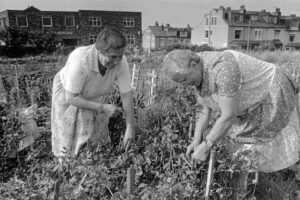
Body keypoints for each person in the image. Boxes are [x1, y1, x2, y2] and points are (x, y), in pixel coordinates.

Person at [163, 49, 300, 190]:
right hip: (249, 99)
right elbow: (203, 109)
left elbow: (229, 115)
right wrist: (196, 140)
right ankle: (242, 187)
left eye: (185, 79)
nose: (185, 84)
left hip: (269, 91)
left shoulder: (223, 68)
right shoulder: (199, 69)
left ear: (193, 64)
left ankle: (285, 181)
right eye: (181, 82)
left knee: (248, 140)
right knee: (238, 140)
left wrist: (206, 145)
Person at [51, 28, 135, 157]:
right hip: (70, 95)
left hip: (95, 93)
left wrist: (130, 126)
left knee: (97, 134)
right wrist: (102, 107)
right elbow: (72, 98)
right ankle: (68, 167)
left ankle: (94, 162)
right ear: (99, 51)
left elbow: (126, 94)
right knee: (72, 137)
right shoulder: (81, 59)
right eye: (113, 57)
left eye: (120, 56)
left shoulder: (120, 62)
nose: (117, 61)